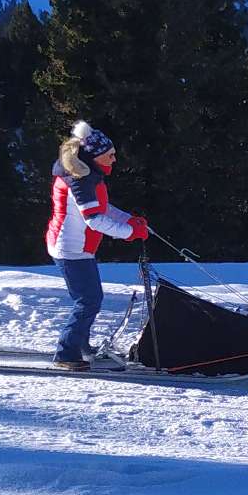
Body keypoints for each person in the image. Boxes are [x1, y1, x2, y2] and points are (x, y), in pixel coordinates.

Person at [46, 120, 149, 368]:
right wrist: (129, 233)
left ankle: (80, 344)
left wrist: (129, 220)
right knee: (88, 300)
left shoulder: (88, 174)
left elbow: (103, 208)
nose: (114, 159)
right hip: (70, 249)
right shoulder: (80, 181)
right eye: (110, 155)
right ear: (95, 157)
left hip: (80, 248)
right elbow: (94, 220)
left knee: (90, 298)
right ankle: (66, 354)